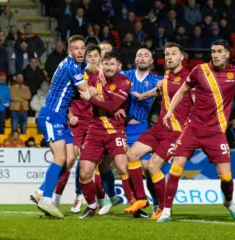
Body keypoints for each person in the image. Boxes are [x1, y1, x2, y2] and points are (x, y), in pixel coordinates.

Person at [157, 41, 235, 223]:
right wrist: (169, 112)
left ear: (227, 54)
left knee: (226, 176)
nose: (215, 54)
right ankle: (167, 211)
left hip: (216, 132)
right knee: (176, 168)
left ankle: (229, 202)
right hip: (192, 129)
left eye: (219, 51)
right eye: (212, 51)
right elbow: (183, 90)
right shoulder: (200, 71)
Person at [126, 43, 192, 219]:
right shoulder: (167, 75)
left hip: (175, 131)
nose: (169, 57)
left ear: (182, 57)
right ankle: (141, 198)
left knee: (153, 166)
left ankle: (163, 208)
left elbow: (199, 101)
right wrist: (142, 96)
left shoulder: (190, 78)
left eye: (173, 54)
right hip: (159, 128)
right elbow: (159, 90)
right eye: (167, 54)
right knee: (132, 155)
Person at [77, 51, 145, 218]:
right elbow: (82, 77)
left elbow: (113, 105)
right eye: (105, 64)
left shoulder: (124, 82)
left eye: (112, 64)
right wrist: (89, 89)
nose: (108, 67)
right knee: (84, 173)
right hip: (95, 131)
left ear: (119, 66)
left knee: (122, 166)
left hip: (115, 131)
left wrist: (90, 98)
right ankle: (92, 206)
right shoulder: (93, 79)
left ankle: (135, 204)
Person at [32, 35, 90, 218]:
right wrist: (95, 89)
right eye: (76, 48)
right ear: (69, 51)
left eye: (83, 48)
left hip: (62, 118)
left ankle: (41, 191)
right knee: (60, 157)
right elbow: (87, 95)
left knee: (70, 158)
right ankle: (47, 199)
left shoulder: (74, 64)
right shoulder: (71, 67)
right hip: (51, 115)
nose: (80, 51)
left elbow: (91, 66)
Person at [119, 48, 163, 215]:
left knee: (146, 166)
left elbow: (175, 85)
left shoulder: (157, 80)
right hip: (121, 128)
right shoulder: (124, 75)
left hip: (141, 128)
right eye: (139, 55)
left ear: (151, 61)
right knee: (125, 167)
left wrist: (164, 83)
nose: (142, 58)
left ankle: (157, 203)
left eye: (146, 55)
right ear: (135, 59)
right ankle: (136, 201)